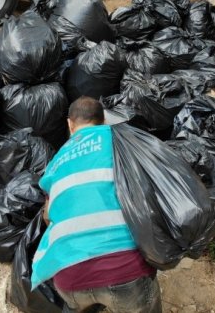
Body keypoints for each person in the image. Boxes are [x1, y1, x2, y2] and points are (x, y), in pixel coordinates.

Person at [31, 96, 161, 313]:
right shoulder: (119, 140)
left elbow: (47, 217)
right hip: (125, 274)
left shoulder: (56, 162)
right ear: (103, 121)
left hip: (68, 277)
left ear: (70, 124)